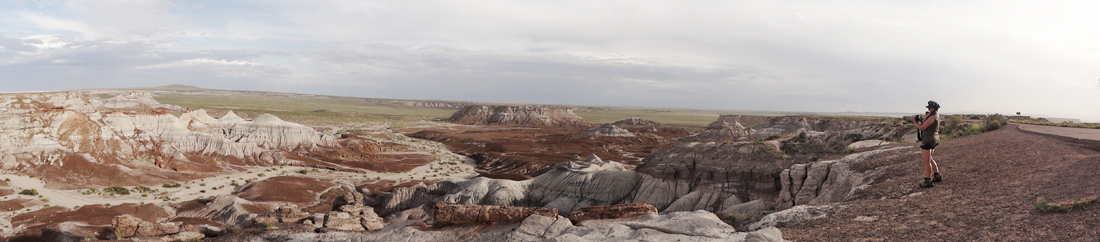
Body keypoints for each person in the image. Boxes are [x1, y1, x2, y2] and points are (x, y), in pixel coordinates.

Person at [912, 100, 942, 188]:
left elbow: (922, 128)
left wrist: (914, 123)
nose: (929, 109)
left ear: (932, 108)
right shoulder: (937, 116)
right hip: (934, 139)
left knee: (927, 161)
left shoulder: (932, 117)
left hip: (928, 140)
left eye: (929, 108)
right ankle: (937, 175)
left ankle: (928, 180)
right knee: (931, 158)